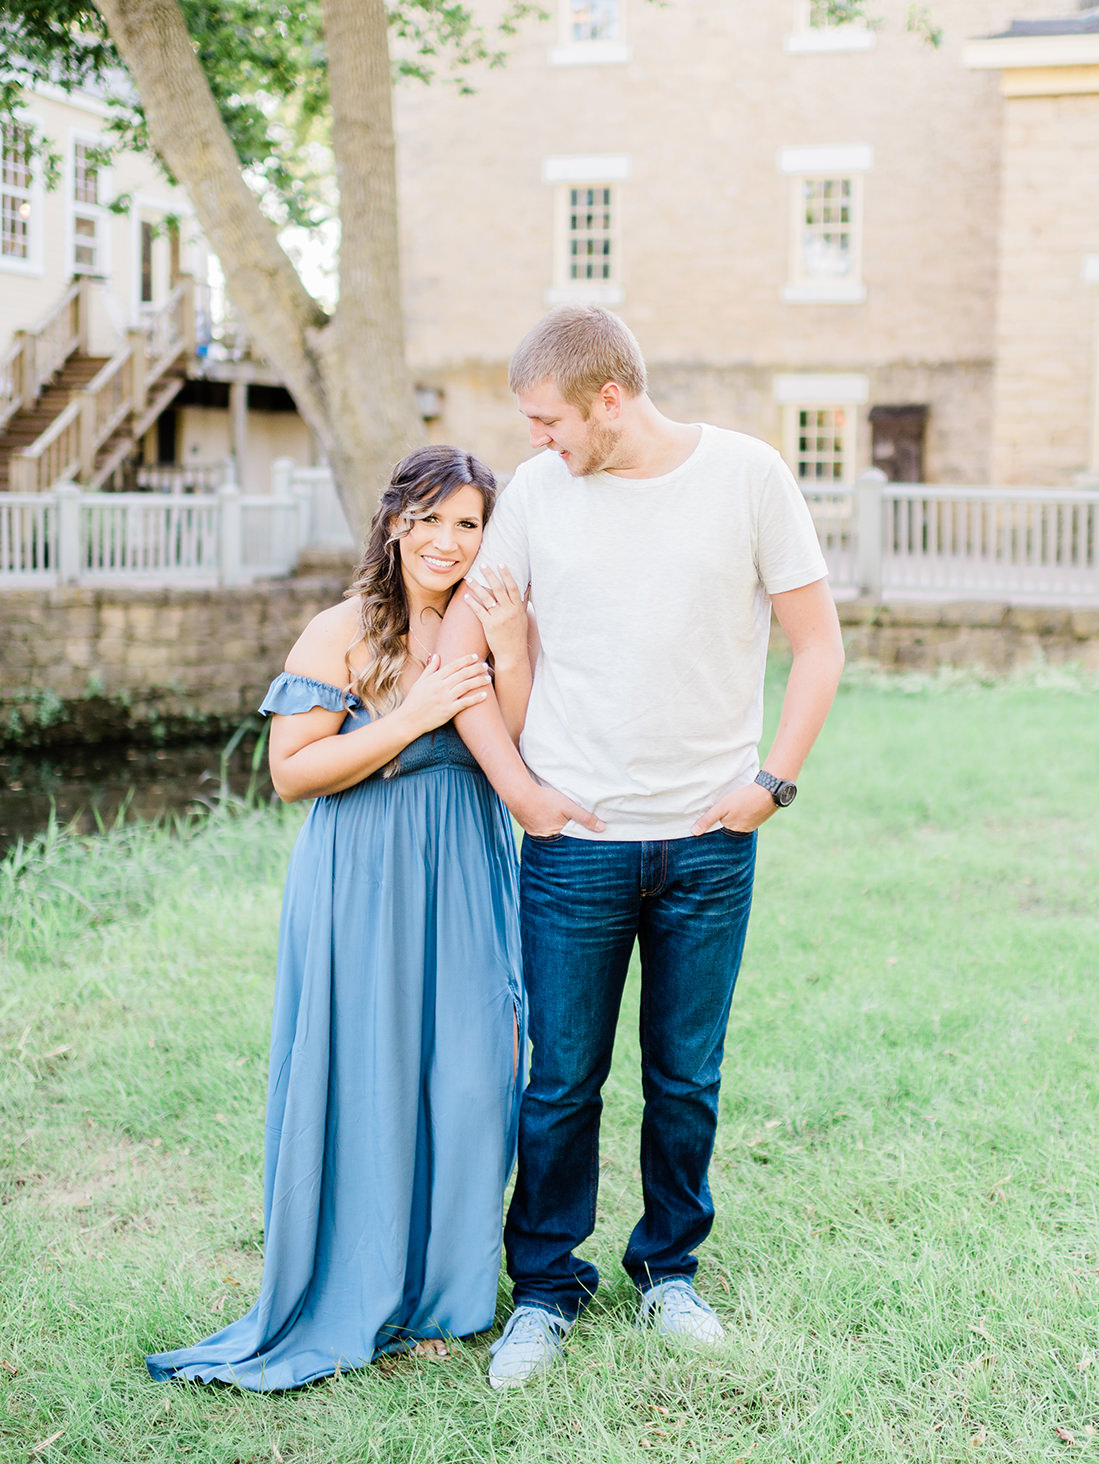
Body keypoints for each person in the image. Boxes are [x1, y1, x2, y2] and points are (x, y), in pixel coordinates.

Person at [438, 306, 845, 1388]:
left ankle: (668, 1270)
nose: (536, 441)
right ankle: (545, 1288)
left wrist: (772, 783)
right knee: (562, 1079)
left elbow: (817, 645)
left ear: (609, 399)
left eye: (548, 420)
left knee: (686, 1076)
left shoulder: (748, 476)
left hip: (710, 844)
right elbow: (457, 656)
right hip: (577, 847)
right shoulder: (535, 497)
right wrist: (521, 789)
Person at [147, 445, 541, 1390]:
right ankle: (362, 1292)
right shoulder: (342, 632)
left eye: (468, 524)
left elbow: (518, 745)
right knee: (370, 1076)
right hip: (363, 872)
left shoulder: (486, 622)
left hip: (467, 865)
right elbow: (290, 774)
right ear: (395, 520)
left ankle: (444, 1296)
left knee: (473, 1071)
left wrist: (515, 649)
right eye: (431, 518)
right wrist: (407, 717)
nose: (448, 541)